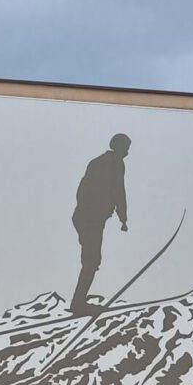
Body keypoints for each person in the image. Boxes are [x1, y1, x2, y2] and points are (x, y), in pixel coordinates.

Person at [69, 133, 131, 315]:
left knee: (91, 259)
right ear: (119, 147)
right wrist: (122, 216)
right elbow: (118, 190)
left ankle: (79, 301)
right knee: (92, 260)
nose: (128, 151)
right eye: (126, 147)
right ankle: (78, 304)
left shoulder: (103, 162)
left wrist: (120, 216)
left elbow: (115, 191)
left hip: (86, 217)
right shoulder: (111, 164)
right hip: (90, 218)